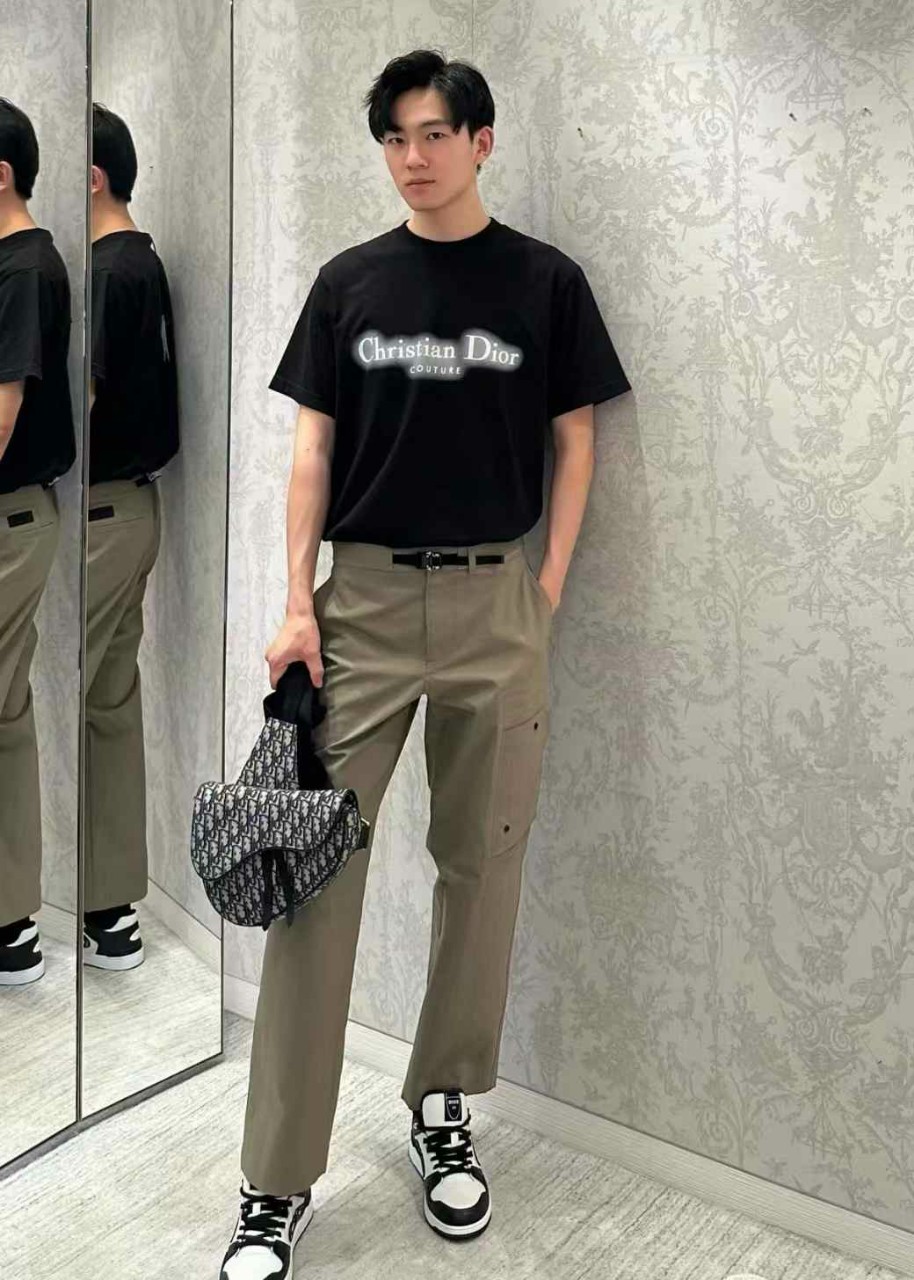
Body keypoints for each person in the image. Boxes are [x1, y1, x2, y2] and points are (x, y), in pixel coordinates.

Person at [219, 48, 631, 1278]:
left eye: (435, 132)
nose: (413, 155)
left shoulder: (545, 282)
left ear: (480, 141)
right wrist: (294, 602)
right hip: (364, 605)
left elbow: (574, 442)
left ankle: (442, 1103)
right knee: (312, 877)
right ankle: (274, 1179)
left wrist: (544, 590)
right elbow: (310, 452)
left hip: (497, 602)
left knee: (480, 863)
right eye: (395, 136)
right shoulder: (347, 284)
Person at [83, 103, 179, 971]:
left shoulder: (107, 274)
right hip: (131, 509)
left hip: (97, 516)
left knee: (49, 706)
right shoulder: (140, 263)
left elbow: (78, 403)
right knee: (108, 705)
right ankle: (110, 911)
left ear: (92, 180)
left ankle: (33, 914)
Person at [0, 97, 76, 987]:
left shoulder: (23, 269)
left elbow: (4, 411)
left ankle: (11, 926)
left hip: (10, 517)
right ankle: (11, 922)